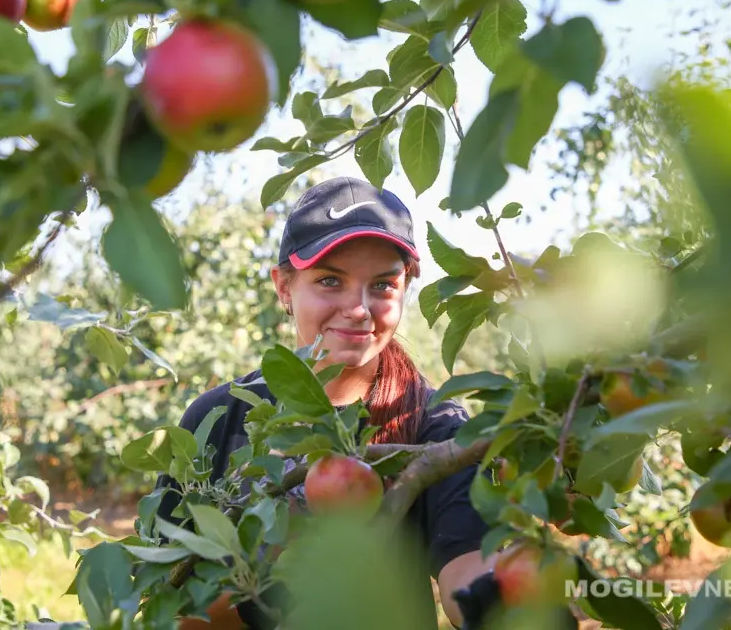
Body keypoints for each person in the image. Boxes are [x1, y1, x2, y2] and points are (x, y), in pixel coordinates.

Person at [154, 176, 508, 629]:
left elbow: (468, 561)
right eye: (329, 280)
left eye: (382, 285)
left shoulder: (433, 423)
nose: (359, 308)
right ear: (283, 286)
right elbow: (174, 605)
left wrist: (505, 605)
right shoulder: (217, 419)